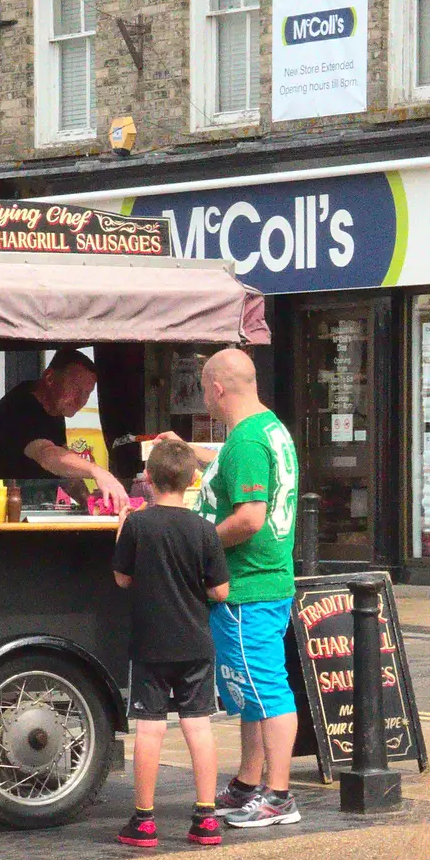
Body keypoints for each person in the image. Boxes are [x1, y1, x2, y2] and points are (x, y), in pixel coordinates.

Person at [162, 348, 301, 829]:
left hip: (248, 587)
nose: (204, 398)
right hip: (265, 581)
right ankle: (247, 783)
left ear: (217, 389)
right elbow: (235, 467)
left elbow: (248, 518)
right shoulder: (269, 429)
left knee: (267, 692)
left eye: (204, 389)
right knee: (249, 692)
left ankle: (279, 796)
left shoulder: (245, 442)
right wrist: (187, 449)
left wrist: (195, 540)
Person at [111, 439, 230, 847]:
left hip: (150, 644)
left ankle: (144, 821)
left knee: (150, 729)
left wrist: (120, 531)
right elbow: (221, 592)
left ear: (147, 479)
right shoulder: (204, 529)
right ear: (193, 479)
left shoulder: (138, 525)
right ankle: (206, 819)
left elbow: (122, 578)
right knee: (198, 726)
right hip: (196, 643)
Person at [0, 348, 127, 509]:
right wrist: (98, 472)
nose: (81, 400)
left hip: (30, 511)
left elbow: (63, 469)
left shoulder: (55, 407)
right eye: (75, 387)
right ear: (50, 378)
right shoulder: (21, 406)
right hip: (1, 515)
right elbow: (47, 455)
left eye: (87, 393)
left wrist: (88, 501)